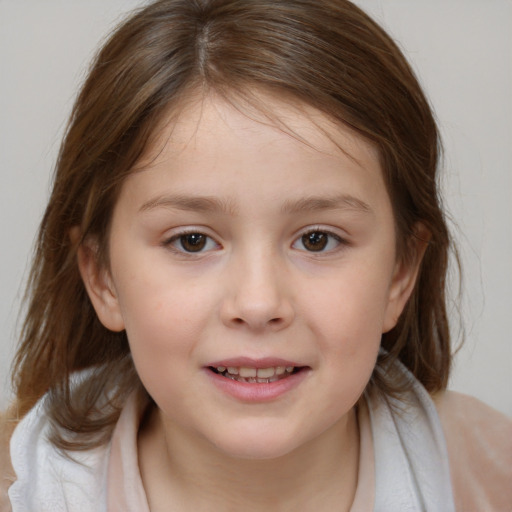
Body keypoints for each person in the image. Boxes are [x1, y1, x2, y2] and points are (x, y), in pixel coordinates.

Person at [0, 0, 511, 510]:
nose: (259, 302)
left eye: (317, 239)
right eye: (192, 240)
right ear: (102, 277)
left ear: (400, 273)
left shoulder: (492, 478)